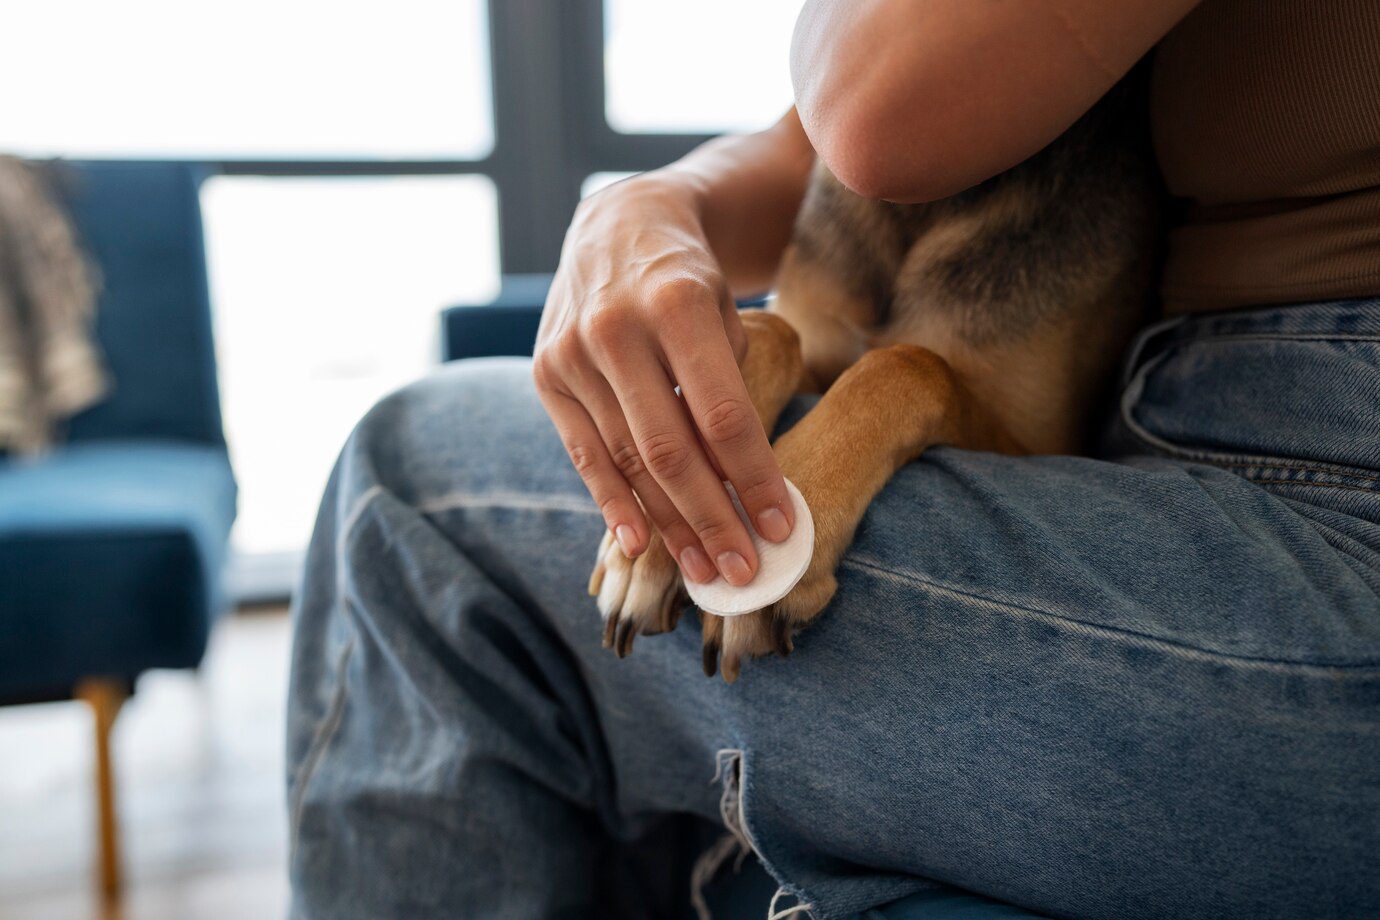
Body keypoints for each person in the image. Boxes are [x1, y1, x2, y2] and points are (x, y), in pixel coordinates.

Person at [286, 1, 1380, 917]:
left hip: (1327, 499)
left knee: (414, 484)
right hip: (1202, 445)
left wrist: (886, 395)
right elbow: (815, 142)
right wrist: (644, 206)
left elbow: (873, 112)